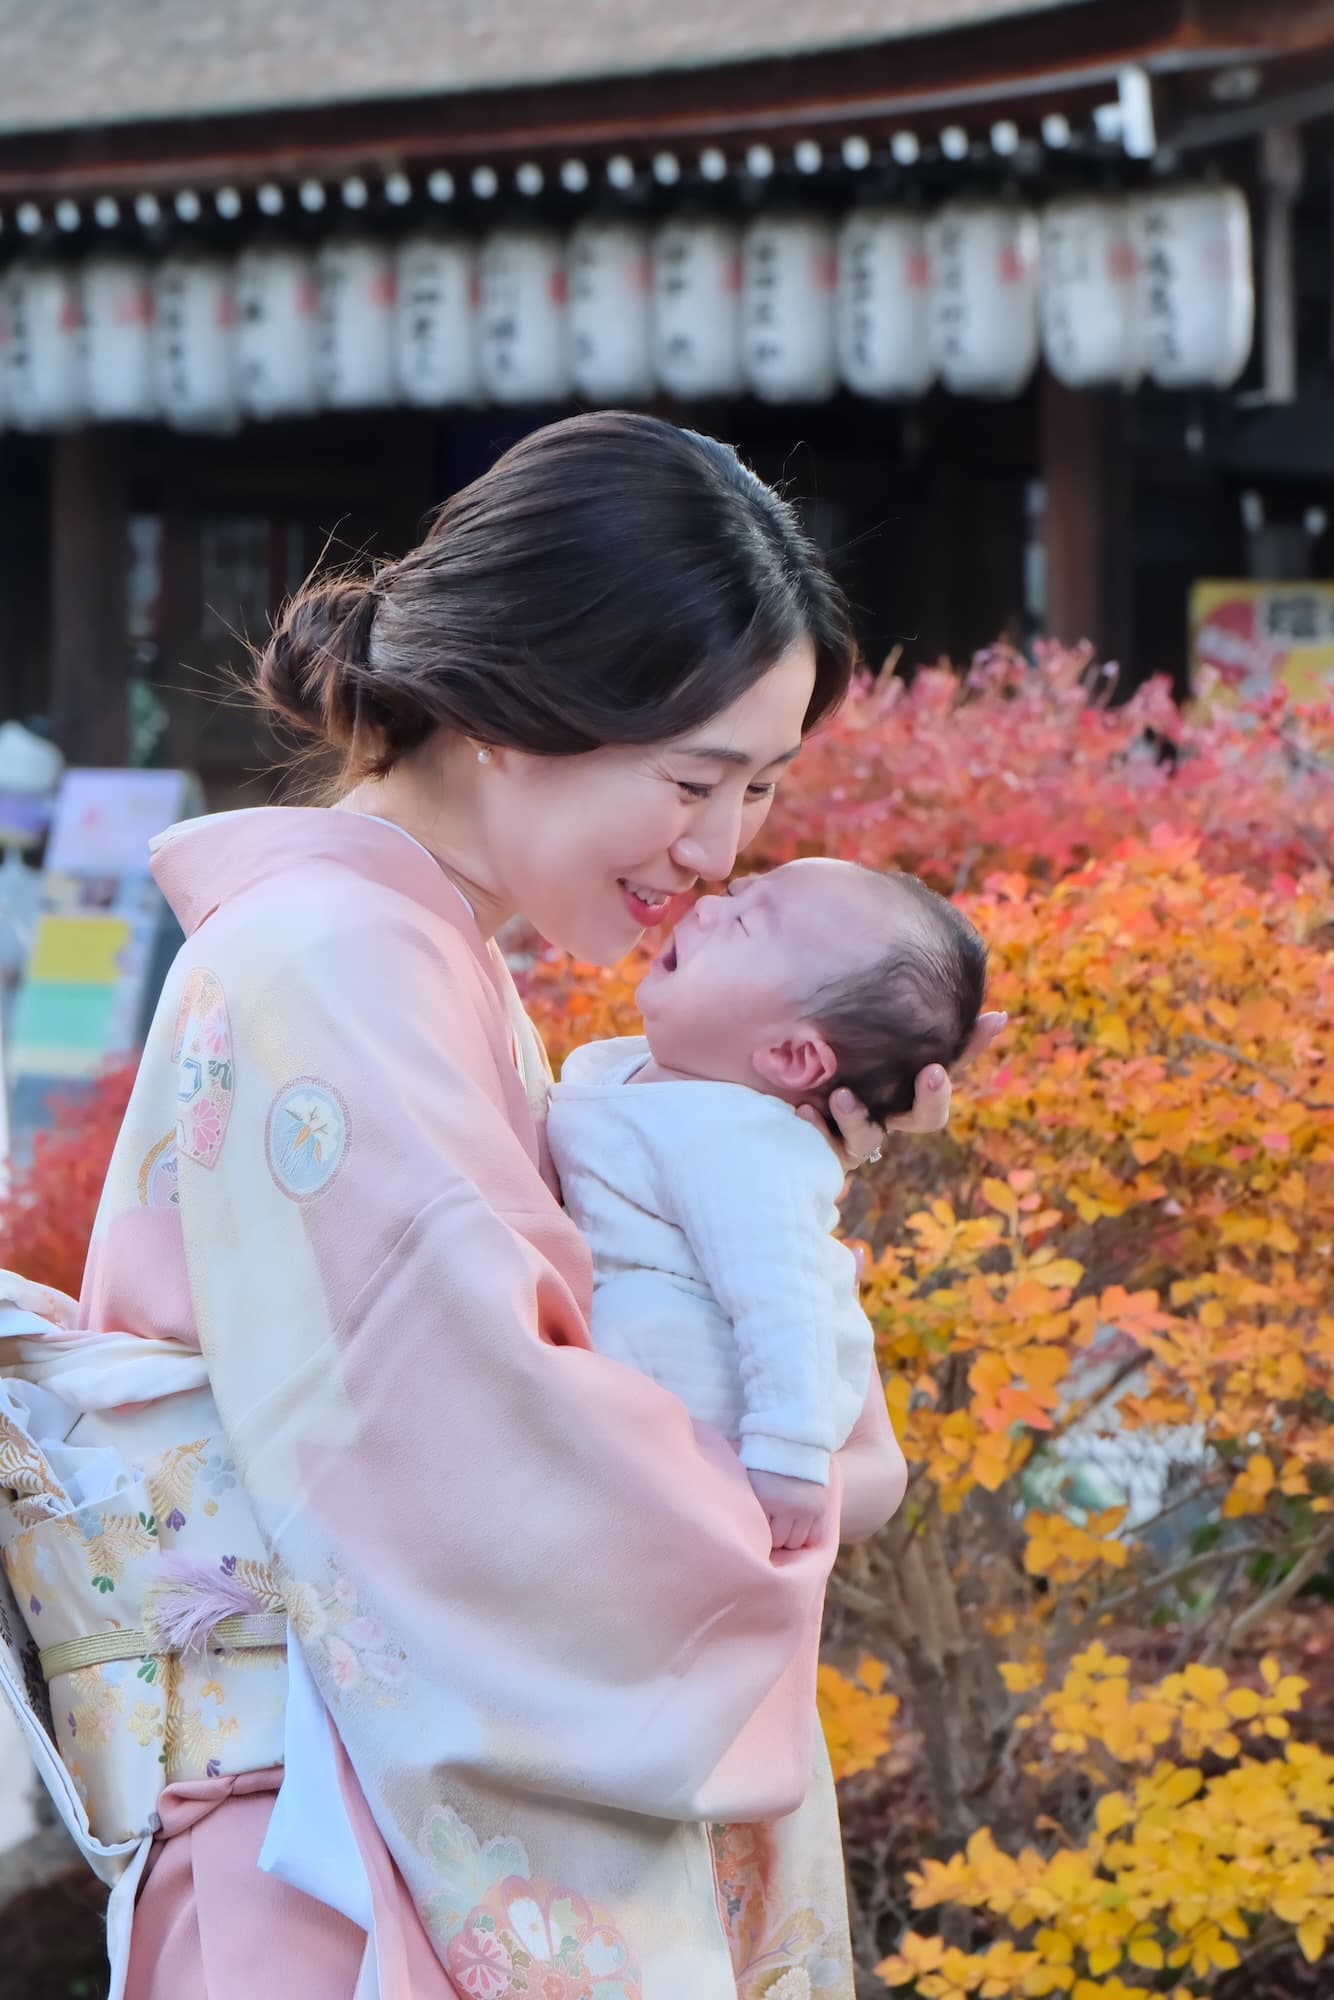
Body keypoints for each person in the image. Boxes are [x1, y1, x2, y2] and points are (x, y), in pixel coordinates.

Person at [0, 413, 1004, 2000]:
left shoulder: (399, 959)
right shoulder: (337, 969)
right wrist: (829, 1464)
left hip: (320, 1827)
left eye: (758, 791)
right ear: (511, 712)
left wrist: (771, 1180)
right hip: (320, 1852)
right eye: (696, 779)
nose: (719, 850)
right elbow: (511, 1471)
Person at [548, 860, 988, 1552]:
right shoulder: (644, 1072)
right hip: (662, 1383)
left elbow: (788, 1301)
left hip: (729, 1396)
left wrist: (789, 1456)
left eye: (744, 922)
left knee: (632, 1319)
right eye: (734, 895)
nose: (704, 909)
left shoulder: (741, 1145)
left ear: (789, 1055)